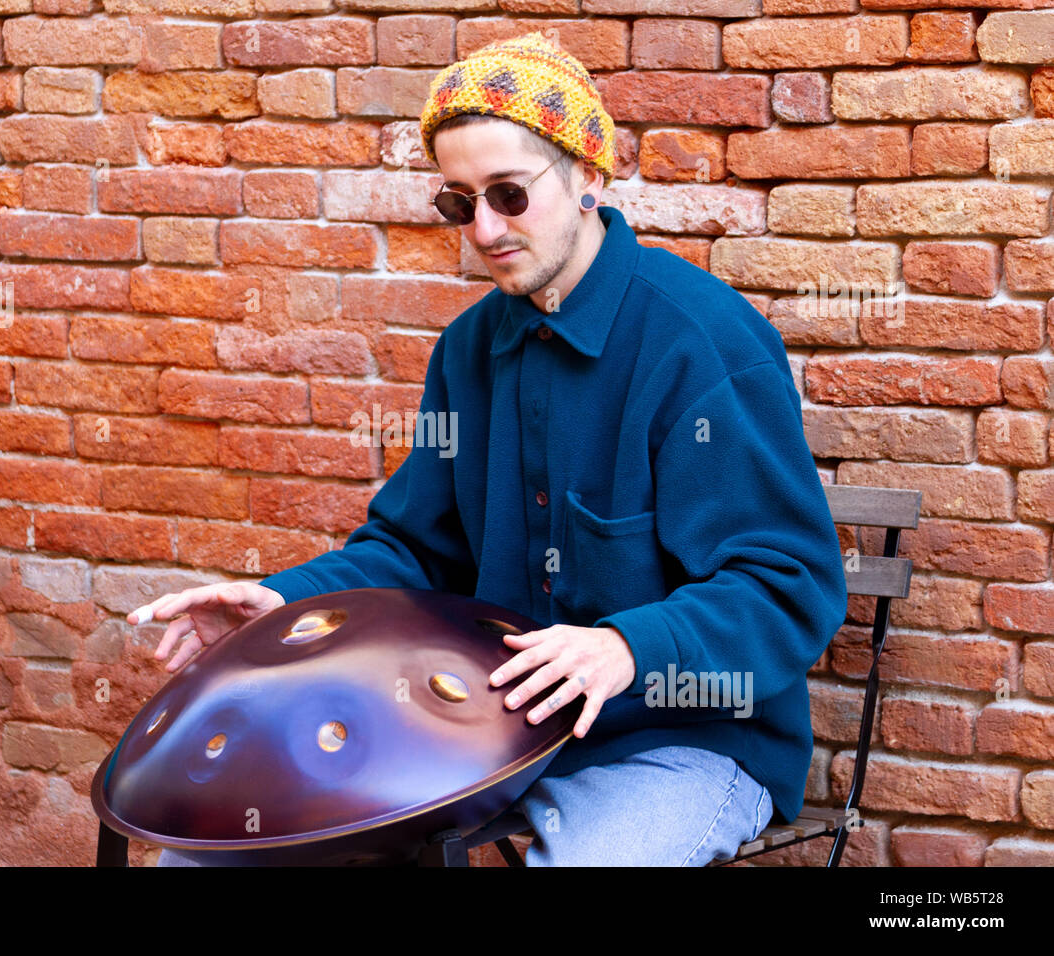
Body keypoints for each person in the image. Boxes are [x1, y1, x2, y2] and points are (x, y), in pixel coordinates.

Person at [138, 31, 848, 866]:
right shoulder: (468, 351)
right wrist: (283, 603)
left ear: (588, 174)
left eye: (509, 194)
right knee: (215, 854)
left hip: (676, 745)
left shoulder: (699, 342)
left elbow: (787, 583)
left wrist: (626, 648)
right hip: (483, 737)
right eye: (458, 201)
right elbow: (413, 549)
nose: (483, 228)